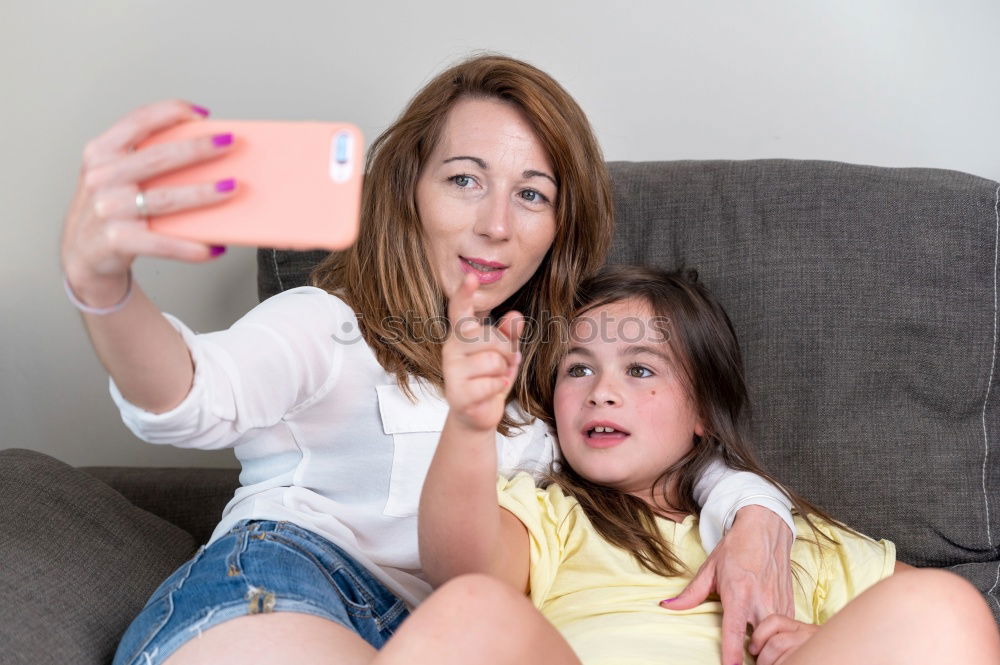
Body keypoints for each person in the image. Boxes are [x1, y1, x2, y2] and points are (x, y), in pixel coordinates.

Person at [61, 55, 798, 665]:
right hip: (285, 583)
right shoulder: (328, 325)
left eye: (532, 194)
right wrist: (105, 290)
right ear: (408, 190)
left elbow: (670, 452)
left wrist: (757, 511)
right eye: (464, 180)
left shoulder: (555, 370)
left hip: (460, 634)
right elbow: (190, 393)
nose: (496, 224)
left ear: (559, 229)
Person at [404, 264, 1000, 665]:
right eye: (577, 368)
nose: (601, 392)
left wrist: (826, 643)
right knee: (468, 606)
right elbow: (463, 570)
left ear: (704, 414)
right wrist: (469, 426)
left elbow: (947, 632)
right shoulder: (552, 516)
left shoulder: (793, 541)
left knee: (945, 606)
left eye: (640, 370)